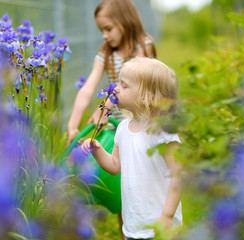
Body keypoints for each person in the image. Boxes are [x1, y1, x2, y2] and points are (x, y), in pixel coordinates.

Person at [81, 57, 183, 239]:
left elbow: (179, 175)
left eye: (124, 85)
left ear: (147, 96)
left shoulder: (162, 133)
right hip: (133, 225)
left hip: (161, 225)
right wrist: (97, 151)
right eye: (119, 82)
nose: (116, 89)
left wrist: (167, 215)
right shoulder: (122, 129)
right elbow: (114, 165)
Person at [66, 0, 157, 146]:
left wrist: (105, 108)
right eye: (101, 30)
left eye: (108, 29)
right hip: (117, 128)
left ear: (125, 21)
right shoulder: (106, 54)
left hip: (143, 126)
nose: (104, 35)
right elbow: (87, 90)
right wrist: (72, 126)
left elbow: (134, 82)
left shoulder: (143, 46)